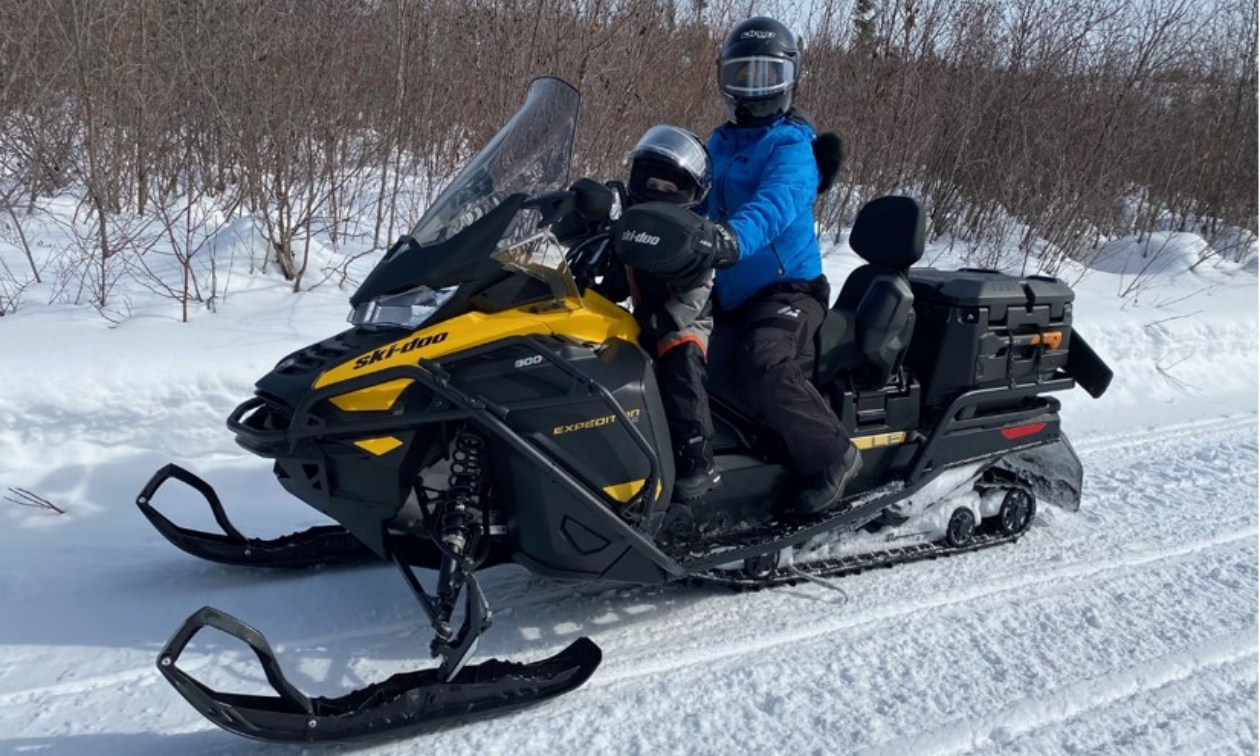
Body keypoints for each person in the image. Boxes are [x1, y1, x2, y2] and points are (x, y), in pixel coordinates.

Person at [702, 16, 862, 515]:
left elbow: (773, 206)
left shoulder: (794, 146)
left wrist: (729, 237)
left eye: (764, 75)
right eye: (742, 74)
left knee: (762, 358)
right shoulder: (721, 142)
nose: (751, 88)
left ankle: (833, 454)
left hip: (788, 289)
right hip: (727, 286)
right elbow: (691, 194)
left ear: (789, 78)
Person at [551, 125, 722, 502]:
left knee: (680, 355)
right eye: (652, 184)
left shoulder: (693, 238)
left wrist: (666, 319)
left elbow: (698, 291)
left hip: (686, 321)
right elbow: (615, 279)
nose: (658, 194)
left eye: (669, 189)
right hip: (643, 317)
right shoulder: (630, 231)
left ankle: (696, 454)